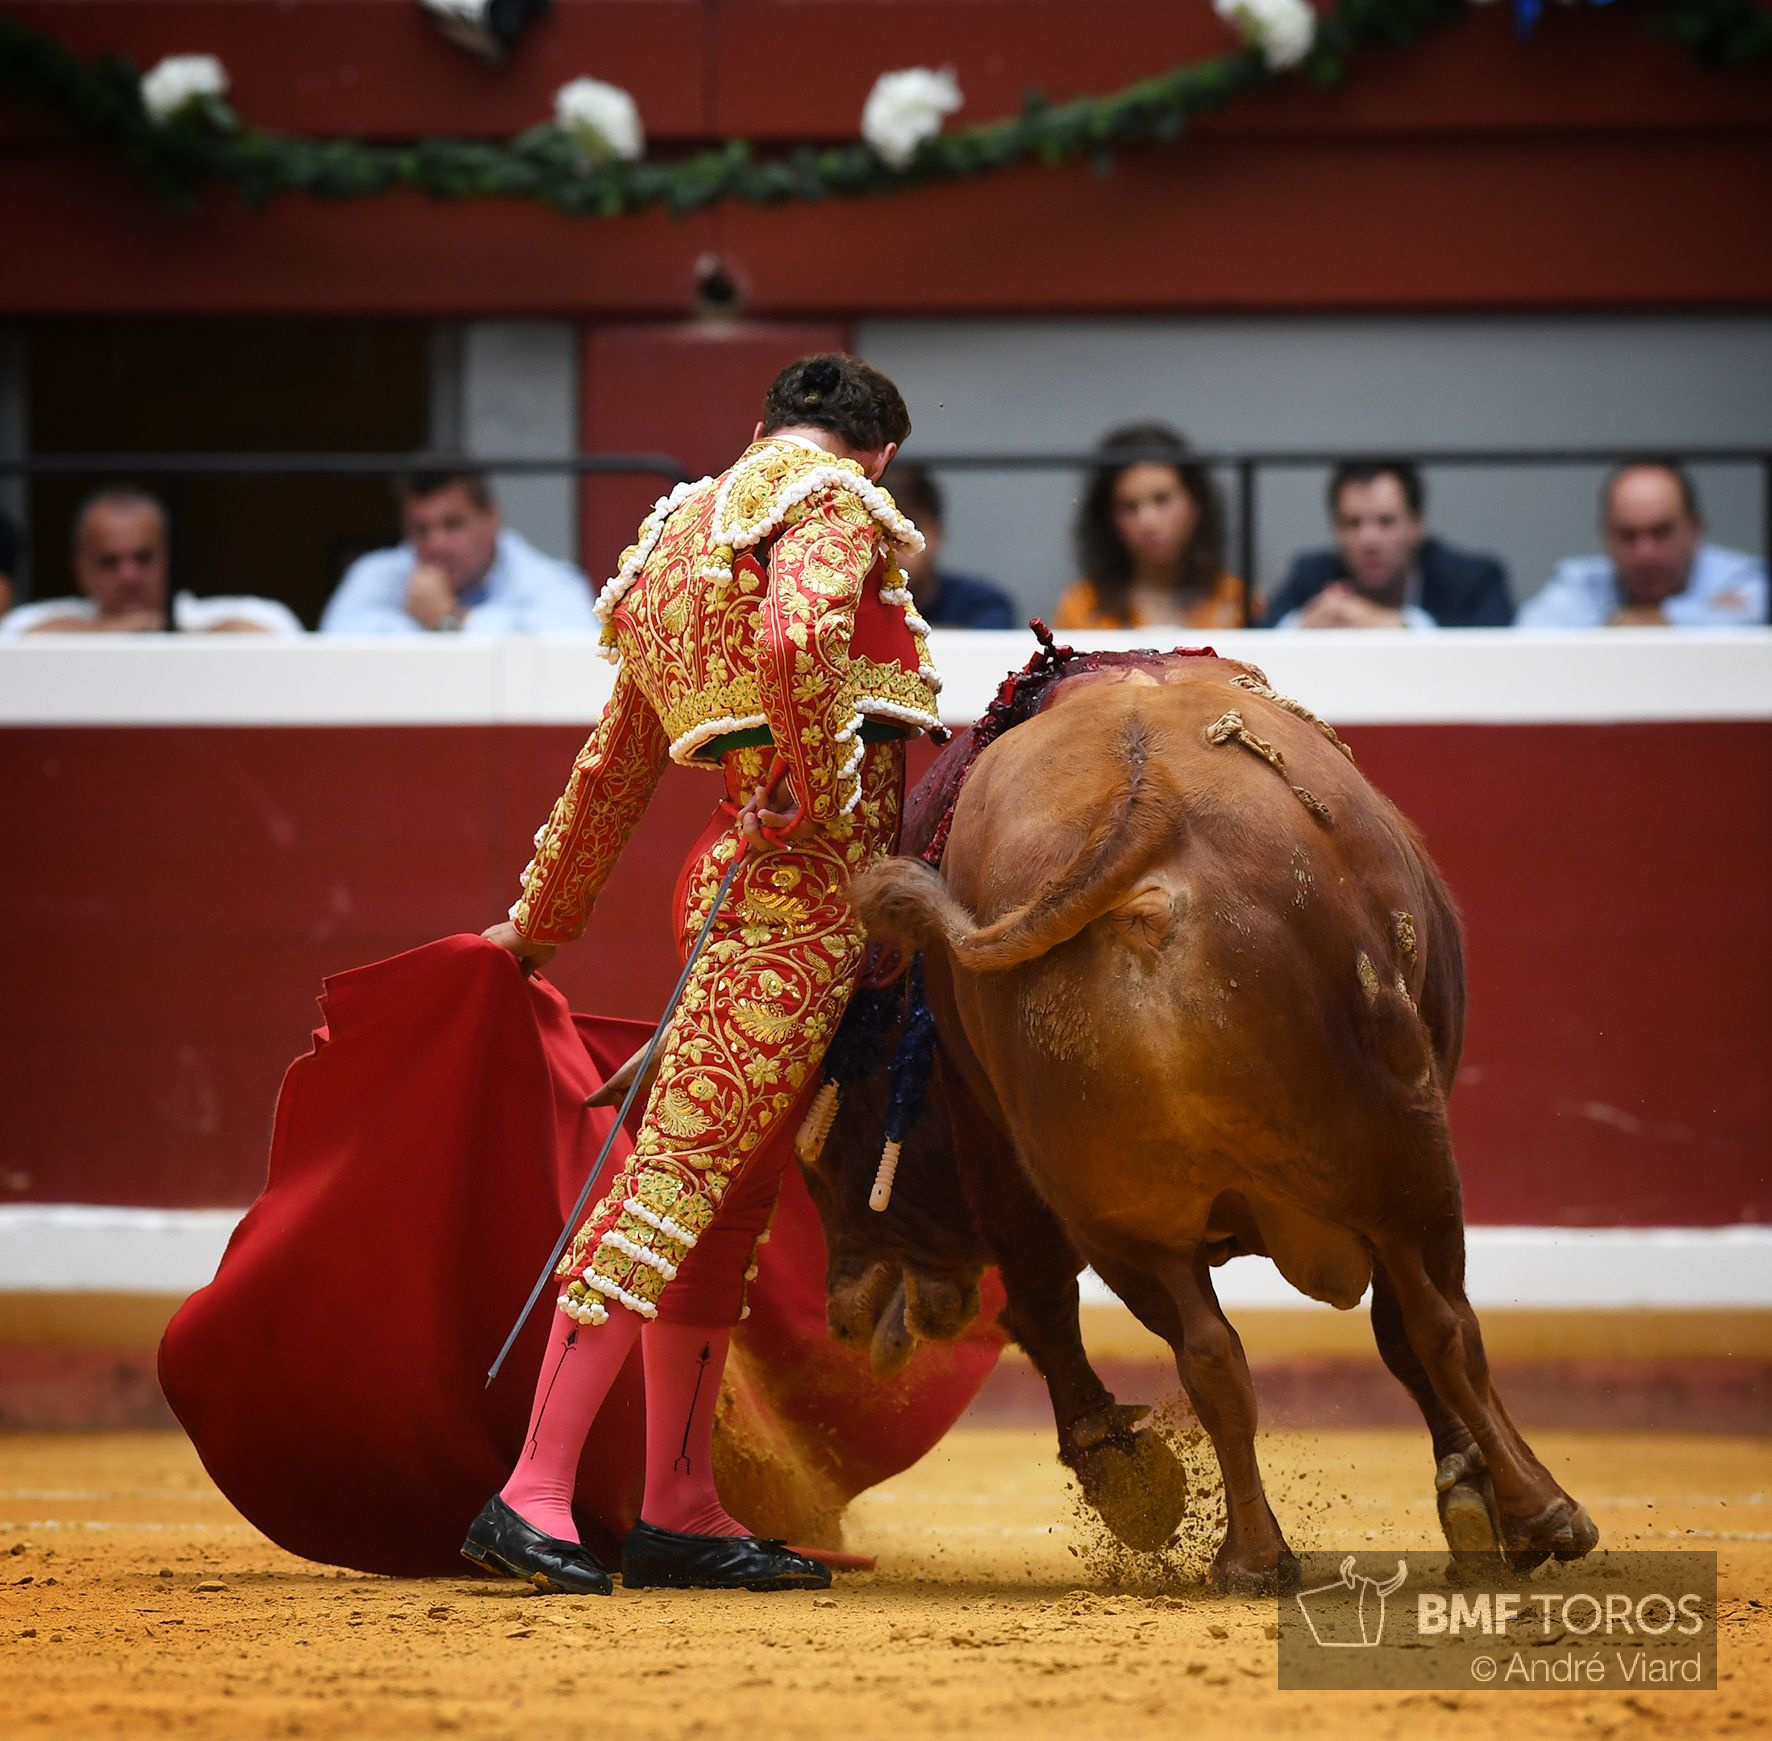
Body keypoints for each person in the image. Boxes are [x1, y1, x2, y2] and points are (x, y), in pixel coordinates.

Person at [463, 353, 941, 1595]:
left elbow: (615, 762)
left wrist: (537, 925)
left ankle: (678, 1500)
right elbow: (799, 636)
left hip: (737, 885)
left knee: (718, 1215)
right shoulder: (831, 503)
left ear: (763, 425)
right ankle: (532, 1493)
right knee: (668, 1189)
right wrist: (827, 799)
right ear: (876, 451)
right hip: (798, 906)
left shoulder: (677, 536)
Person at [319, 470, 597, 636]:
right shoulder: (375, 574)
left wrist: (450, 620)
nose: (435, 544)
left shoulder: (550, 580)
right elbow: (333, 645)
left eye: (452, 525)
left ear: (491, 518)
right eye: (420, 529)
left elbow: (578, 645)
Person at [0, 486, 301, 638]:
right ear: (81, 572)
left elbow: (278, 633)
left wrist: (167, 633)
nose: (129, 575)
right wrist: (116, 631)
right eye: (109, 562)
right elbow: (13, 640)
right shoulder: (40, 621)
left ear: (171, 559)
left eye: (144, 558)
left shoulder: (216, 615)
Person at [1266, 461, 1513, 630]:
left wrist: (1401, 627)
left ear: (1417, 525)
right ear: (1336, 530)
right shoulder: (1313, 575)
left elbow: (1494, 655)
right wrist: (1301, 626)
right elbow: (1258, 641)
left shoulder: (1472, 580)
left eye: (1386, 522)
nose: (1369, 541)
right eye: (1353, 524)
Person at [1521, 459, 1766, 628]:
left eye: (1661, 533)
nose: (1645, 554)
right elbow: (1529, 639)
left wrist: (1655, 620)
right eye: (1627, 535)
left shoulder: (1743, 578)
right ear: (1606, 535)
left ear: (1696, 529)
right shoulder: (1580, 582)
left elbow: (1753, 618)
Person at [1053, 422, 1249, 630]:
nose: (1148, 522)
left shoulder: (1237, 602)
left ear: (1196, 501)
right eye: (1129, 507)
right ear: (1108, 518)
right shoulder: (1082, 608)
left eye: (1162, 499)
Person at [885, 463, 1017, 628]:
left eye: (909, 531)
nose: (893, 550)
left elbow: (990, 644)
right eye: (882, 534)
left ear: (937, 534)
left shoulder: (982, 603)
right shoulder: (848, 606)